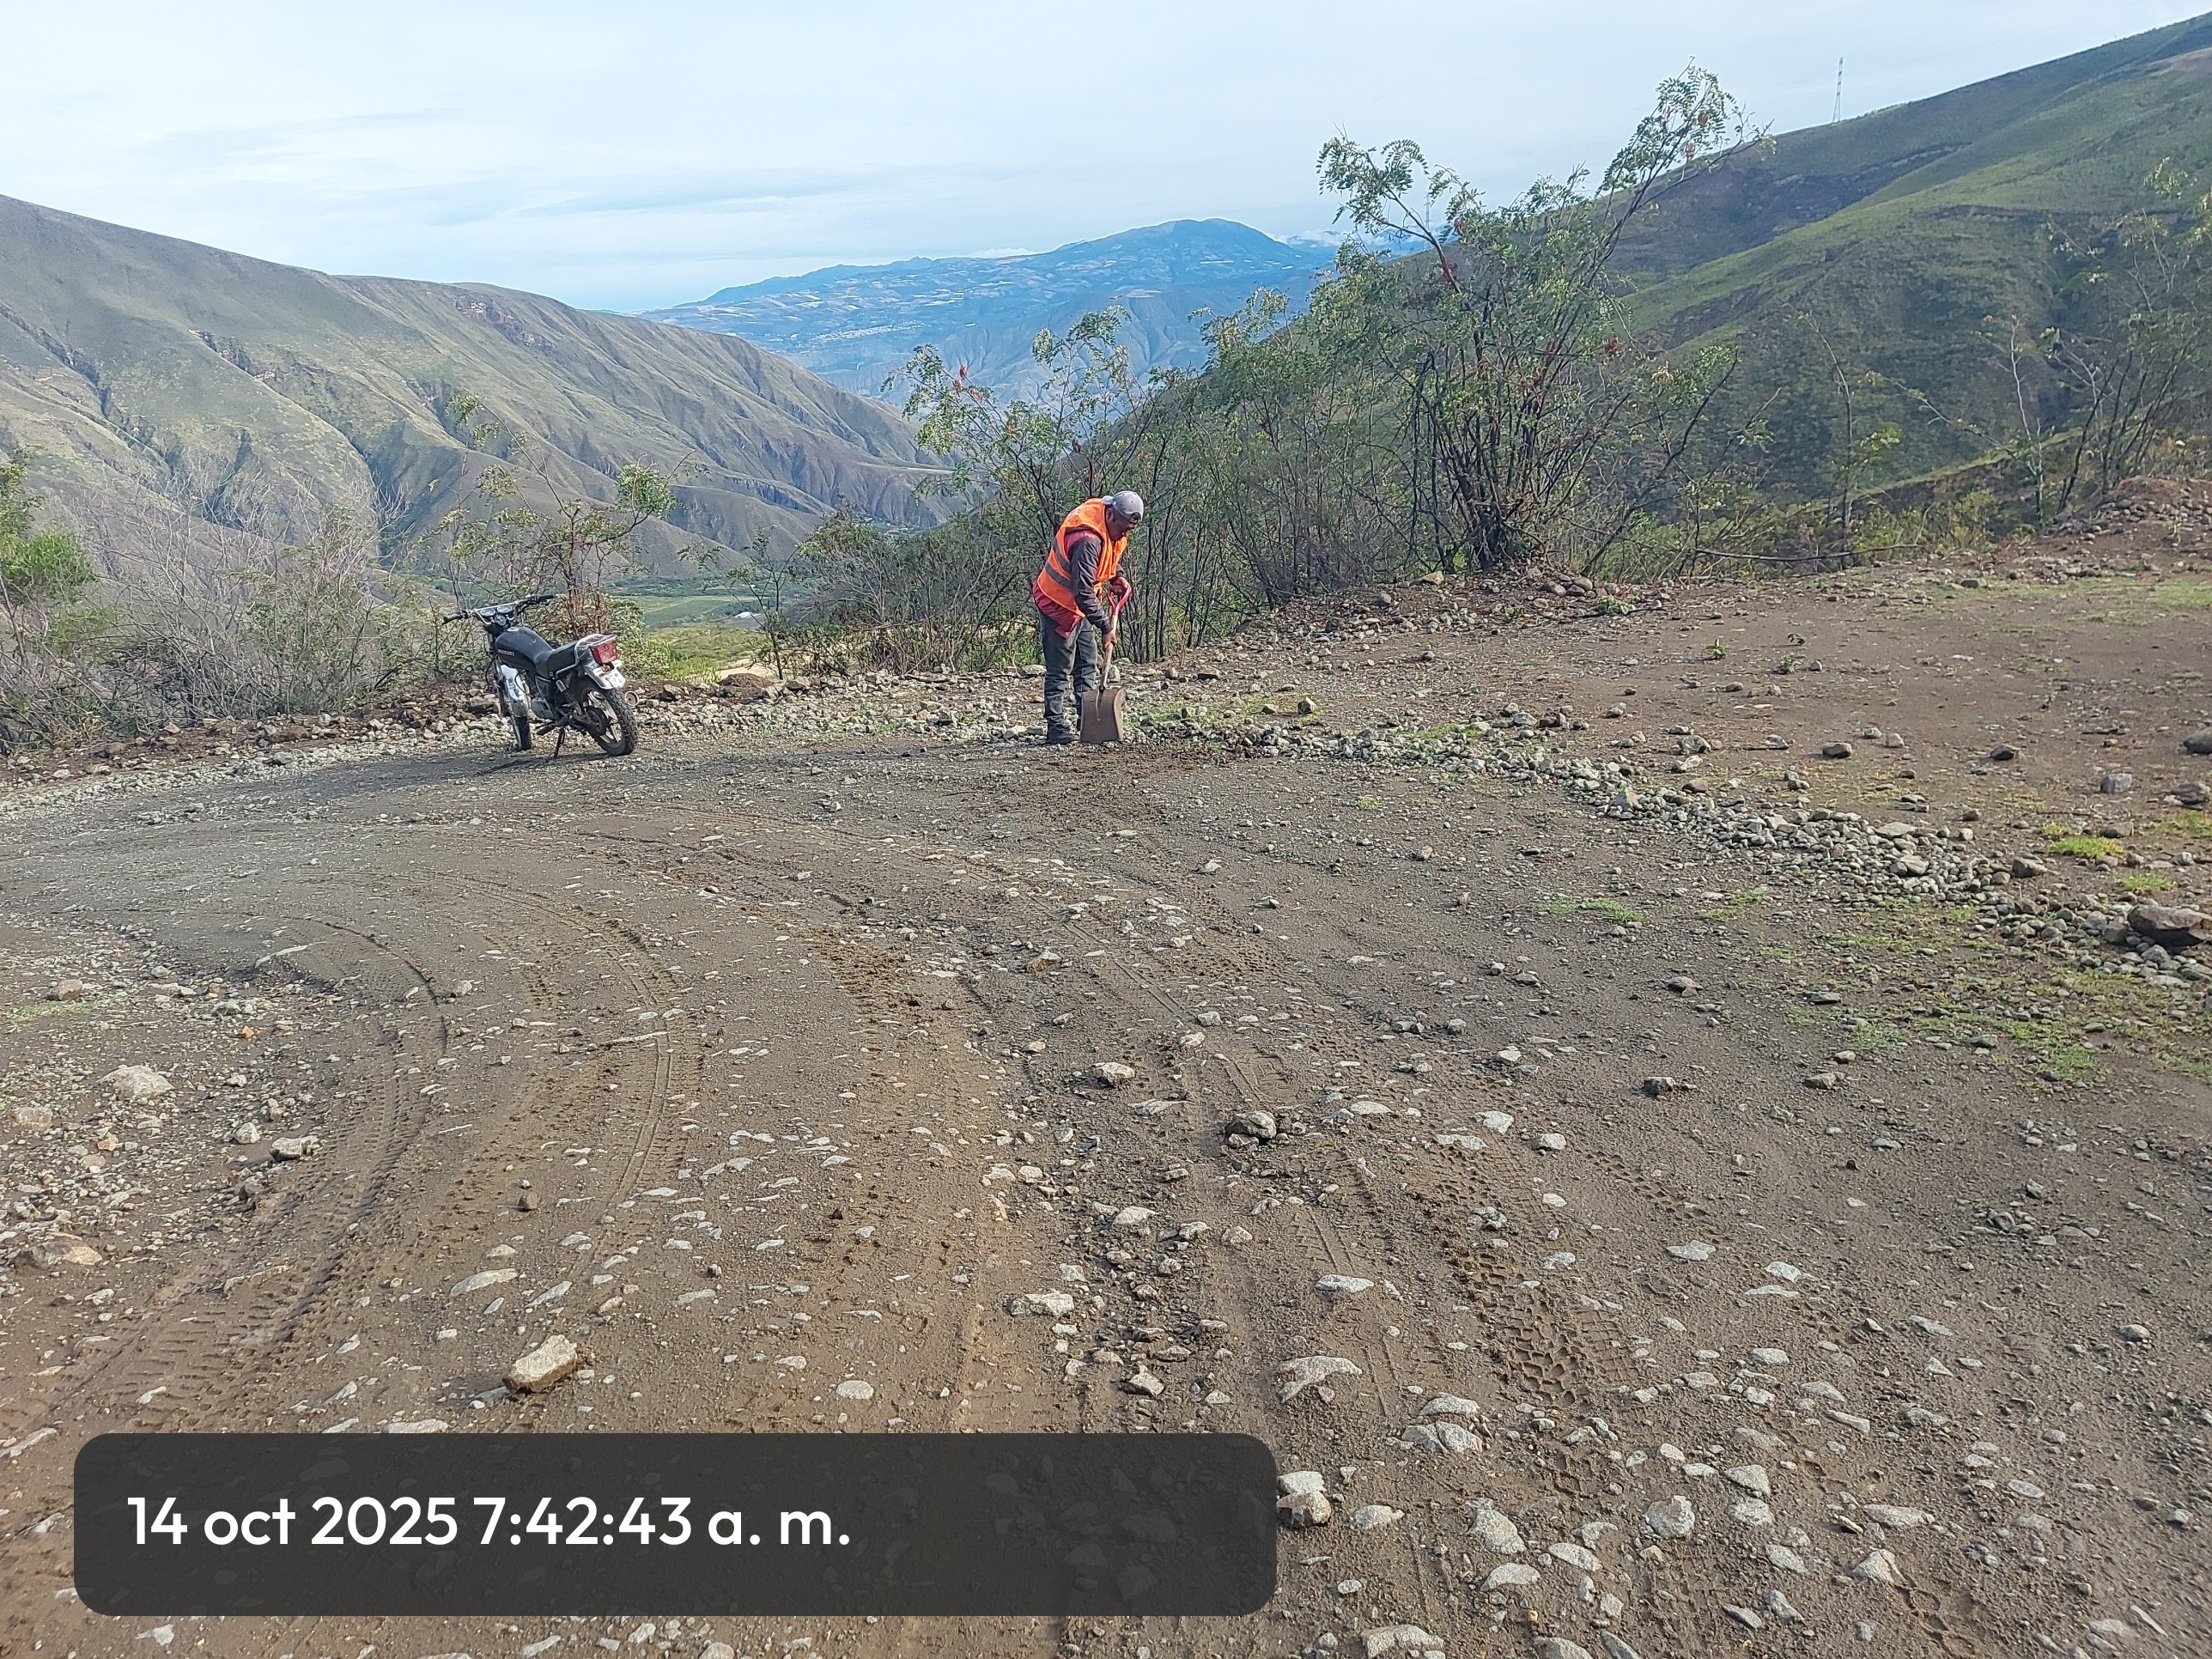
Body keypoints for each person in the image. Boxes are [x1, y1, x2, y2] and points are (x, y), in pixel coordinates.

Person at [1031, 489, 1142, 744]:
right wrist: (1105, 627)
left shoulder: (1108, 523)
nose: (1124, 535)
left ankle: (1088, 719)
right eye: (1123, 528)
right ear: (1111, 515)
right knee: (1060, 668)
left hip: (1080, 607)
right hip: (1058, 604)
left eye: (1129, 530)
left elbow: (1107, 555)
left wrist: (1117, 575)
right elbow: (1082, 591)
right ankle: (1056, 726)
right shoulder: (1087, 540)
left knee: (1088, 662)